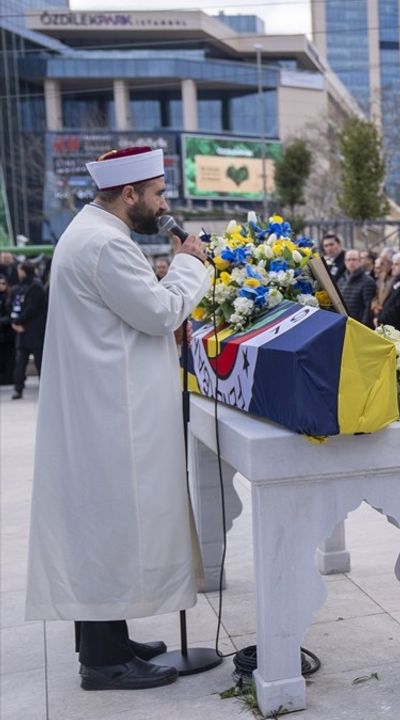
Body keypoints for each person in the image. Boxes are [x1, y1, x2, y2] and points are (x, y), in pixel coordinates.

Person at [26, 146, 211, 690]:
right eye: (157, 194)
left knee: (103, 525)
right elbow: (158, 313)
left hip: (101, 405)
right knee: (110, 524)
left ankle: (106, 637)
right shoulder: (107, 245)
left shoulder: (90, 232)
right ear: (128, 194)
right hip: (111, 413)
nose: (163, 203)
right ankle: (104, 662)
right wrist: (189, 264)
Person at [9, 262, 47, 399]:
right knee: (22, 362)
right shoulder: (32, 286)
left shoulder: (34, 287)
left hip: (32, 331)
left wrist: (17, 321)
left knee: (38, 362)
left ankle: (43, 389)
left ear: (24, 271)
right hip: (28, 331)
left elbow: (31, 309)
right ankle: (19, 388)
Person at [337, 249, 376, 326]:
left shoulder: (368, 281)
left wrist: (363, 326)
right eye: (348, 260)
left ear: (360, 261)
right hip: (343, 323)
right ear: (345, 262)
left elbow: (368, 308)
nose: (351, 262)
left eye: (354, 259)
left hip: (358, 325)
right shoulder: (341, 280)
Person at [376, 252, 400, 328]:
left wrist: (381, 319)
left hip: (397, 327)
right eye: (393, 264)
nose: (392, 267)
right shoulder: (396, 281)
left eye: (396, 264)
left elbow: (398, 308)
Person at [0, 276, 14, 386]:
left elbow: (11, 314)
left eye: (3, 283)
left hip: (8, 333)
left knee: (9, 357)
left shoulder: (10, 297)